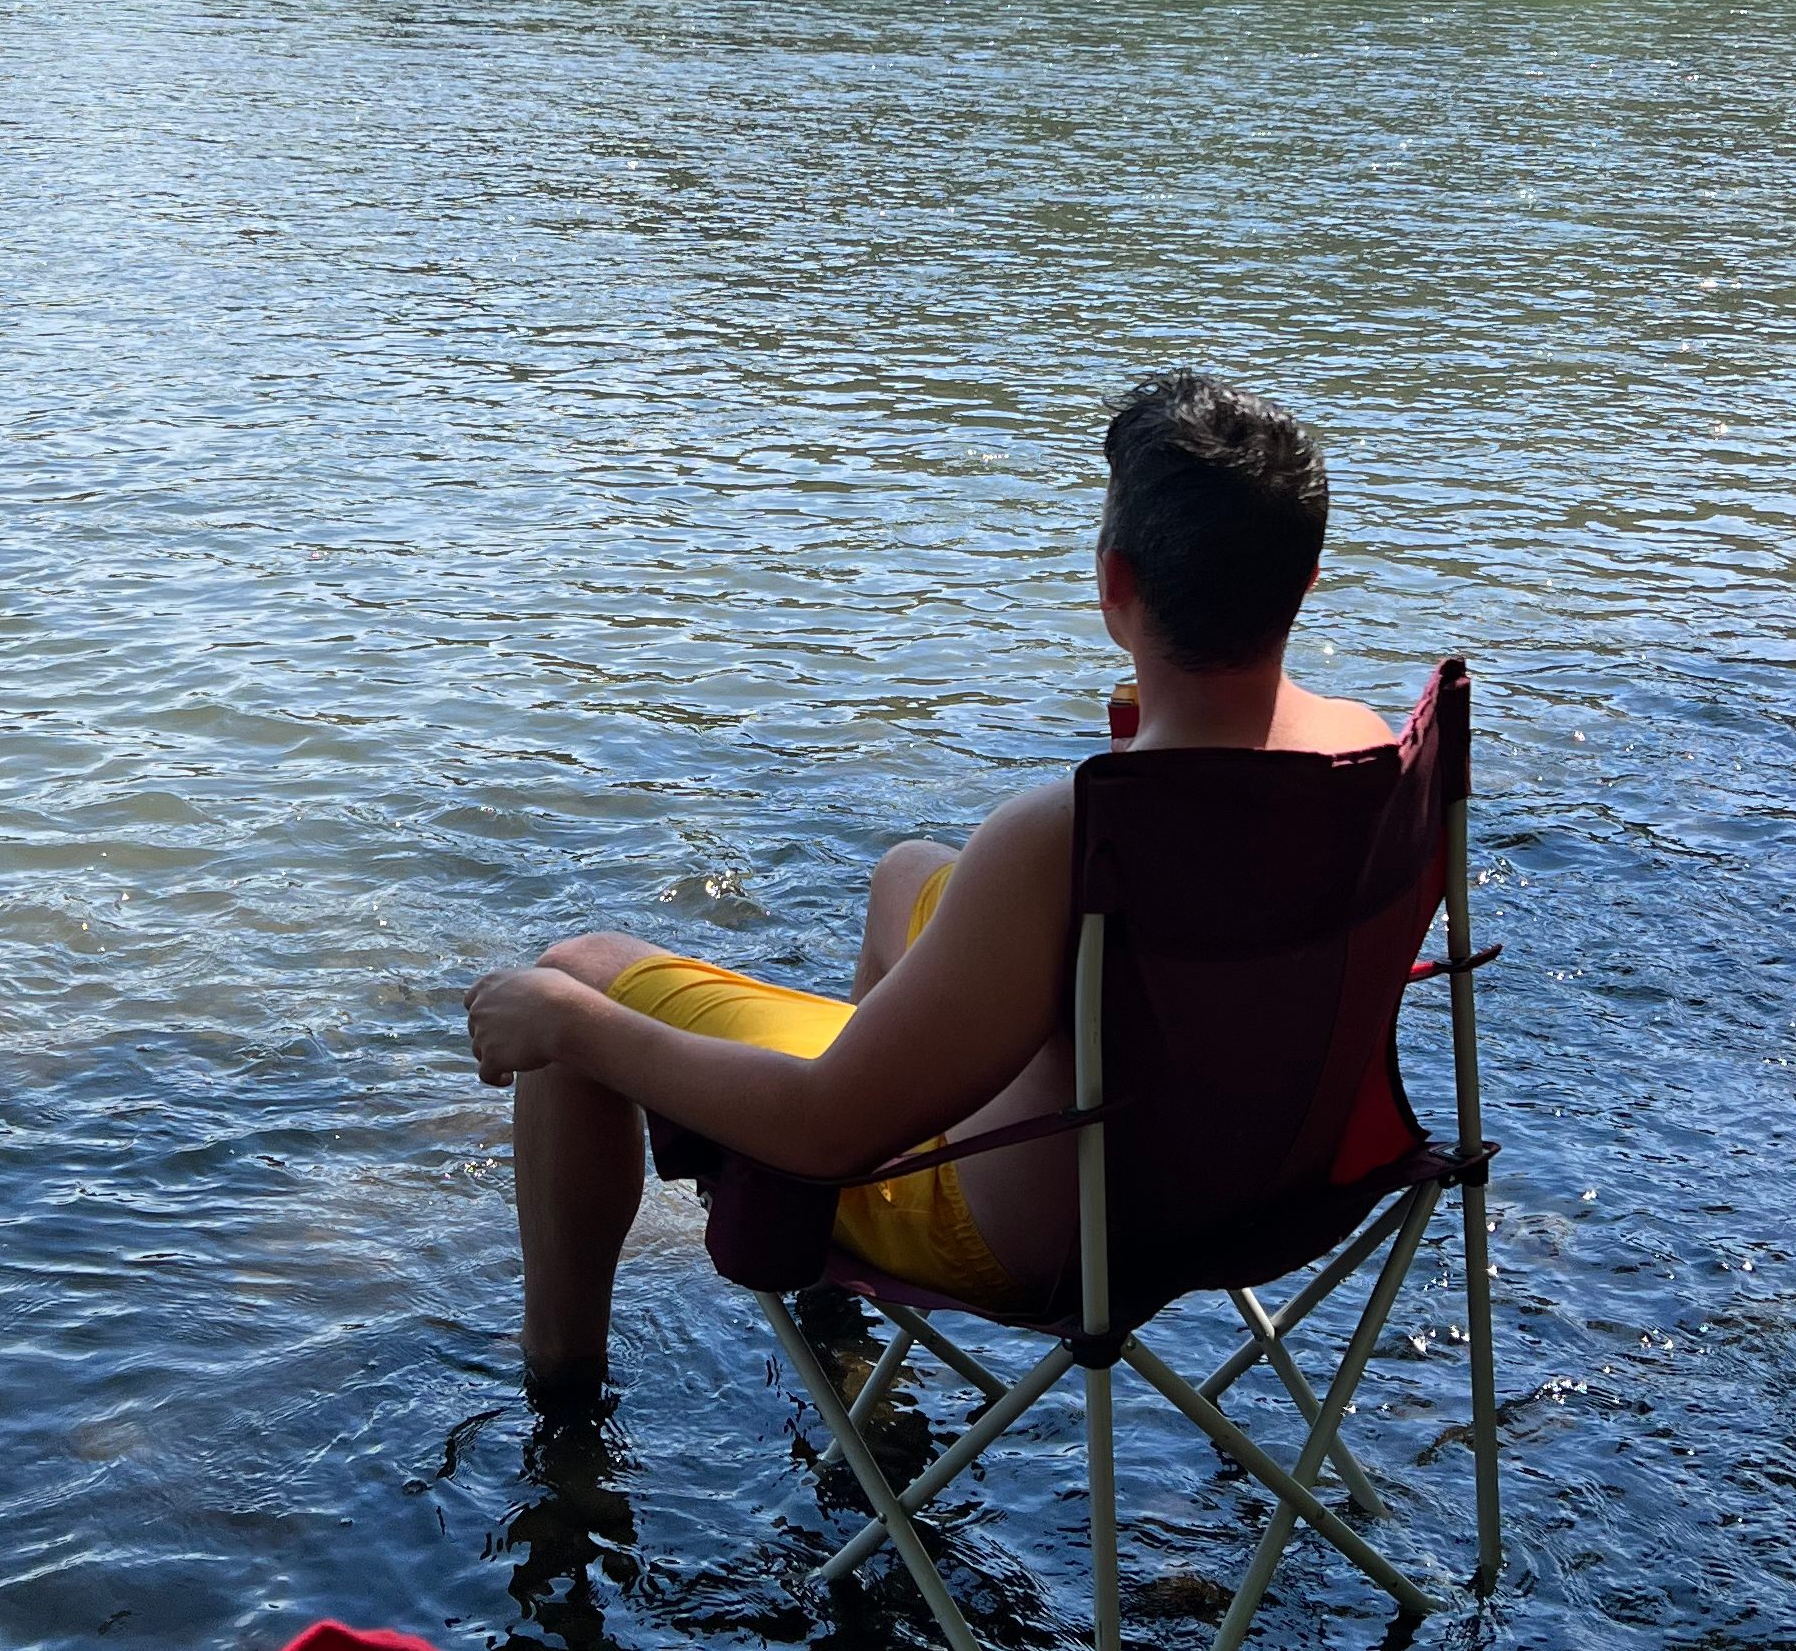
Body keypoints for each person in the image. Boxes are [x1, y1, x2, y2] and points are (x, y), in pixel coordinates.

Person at [465, 370, 1393, 1399]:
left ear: (1115, 587)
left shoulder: (1070, 835)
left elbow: (826, 1124)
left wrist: (565, 1024)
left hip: (1037, 1234)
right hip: (1268, 1192)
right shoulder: (1374, 759)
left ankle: (560, 1392)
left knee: (580, 972)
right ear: (1305, 582)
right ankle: (842, 1298)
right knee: (909, 870)